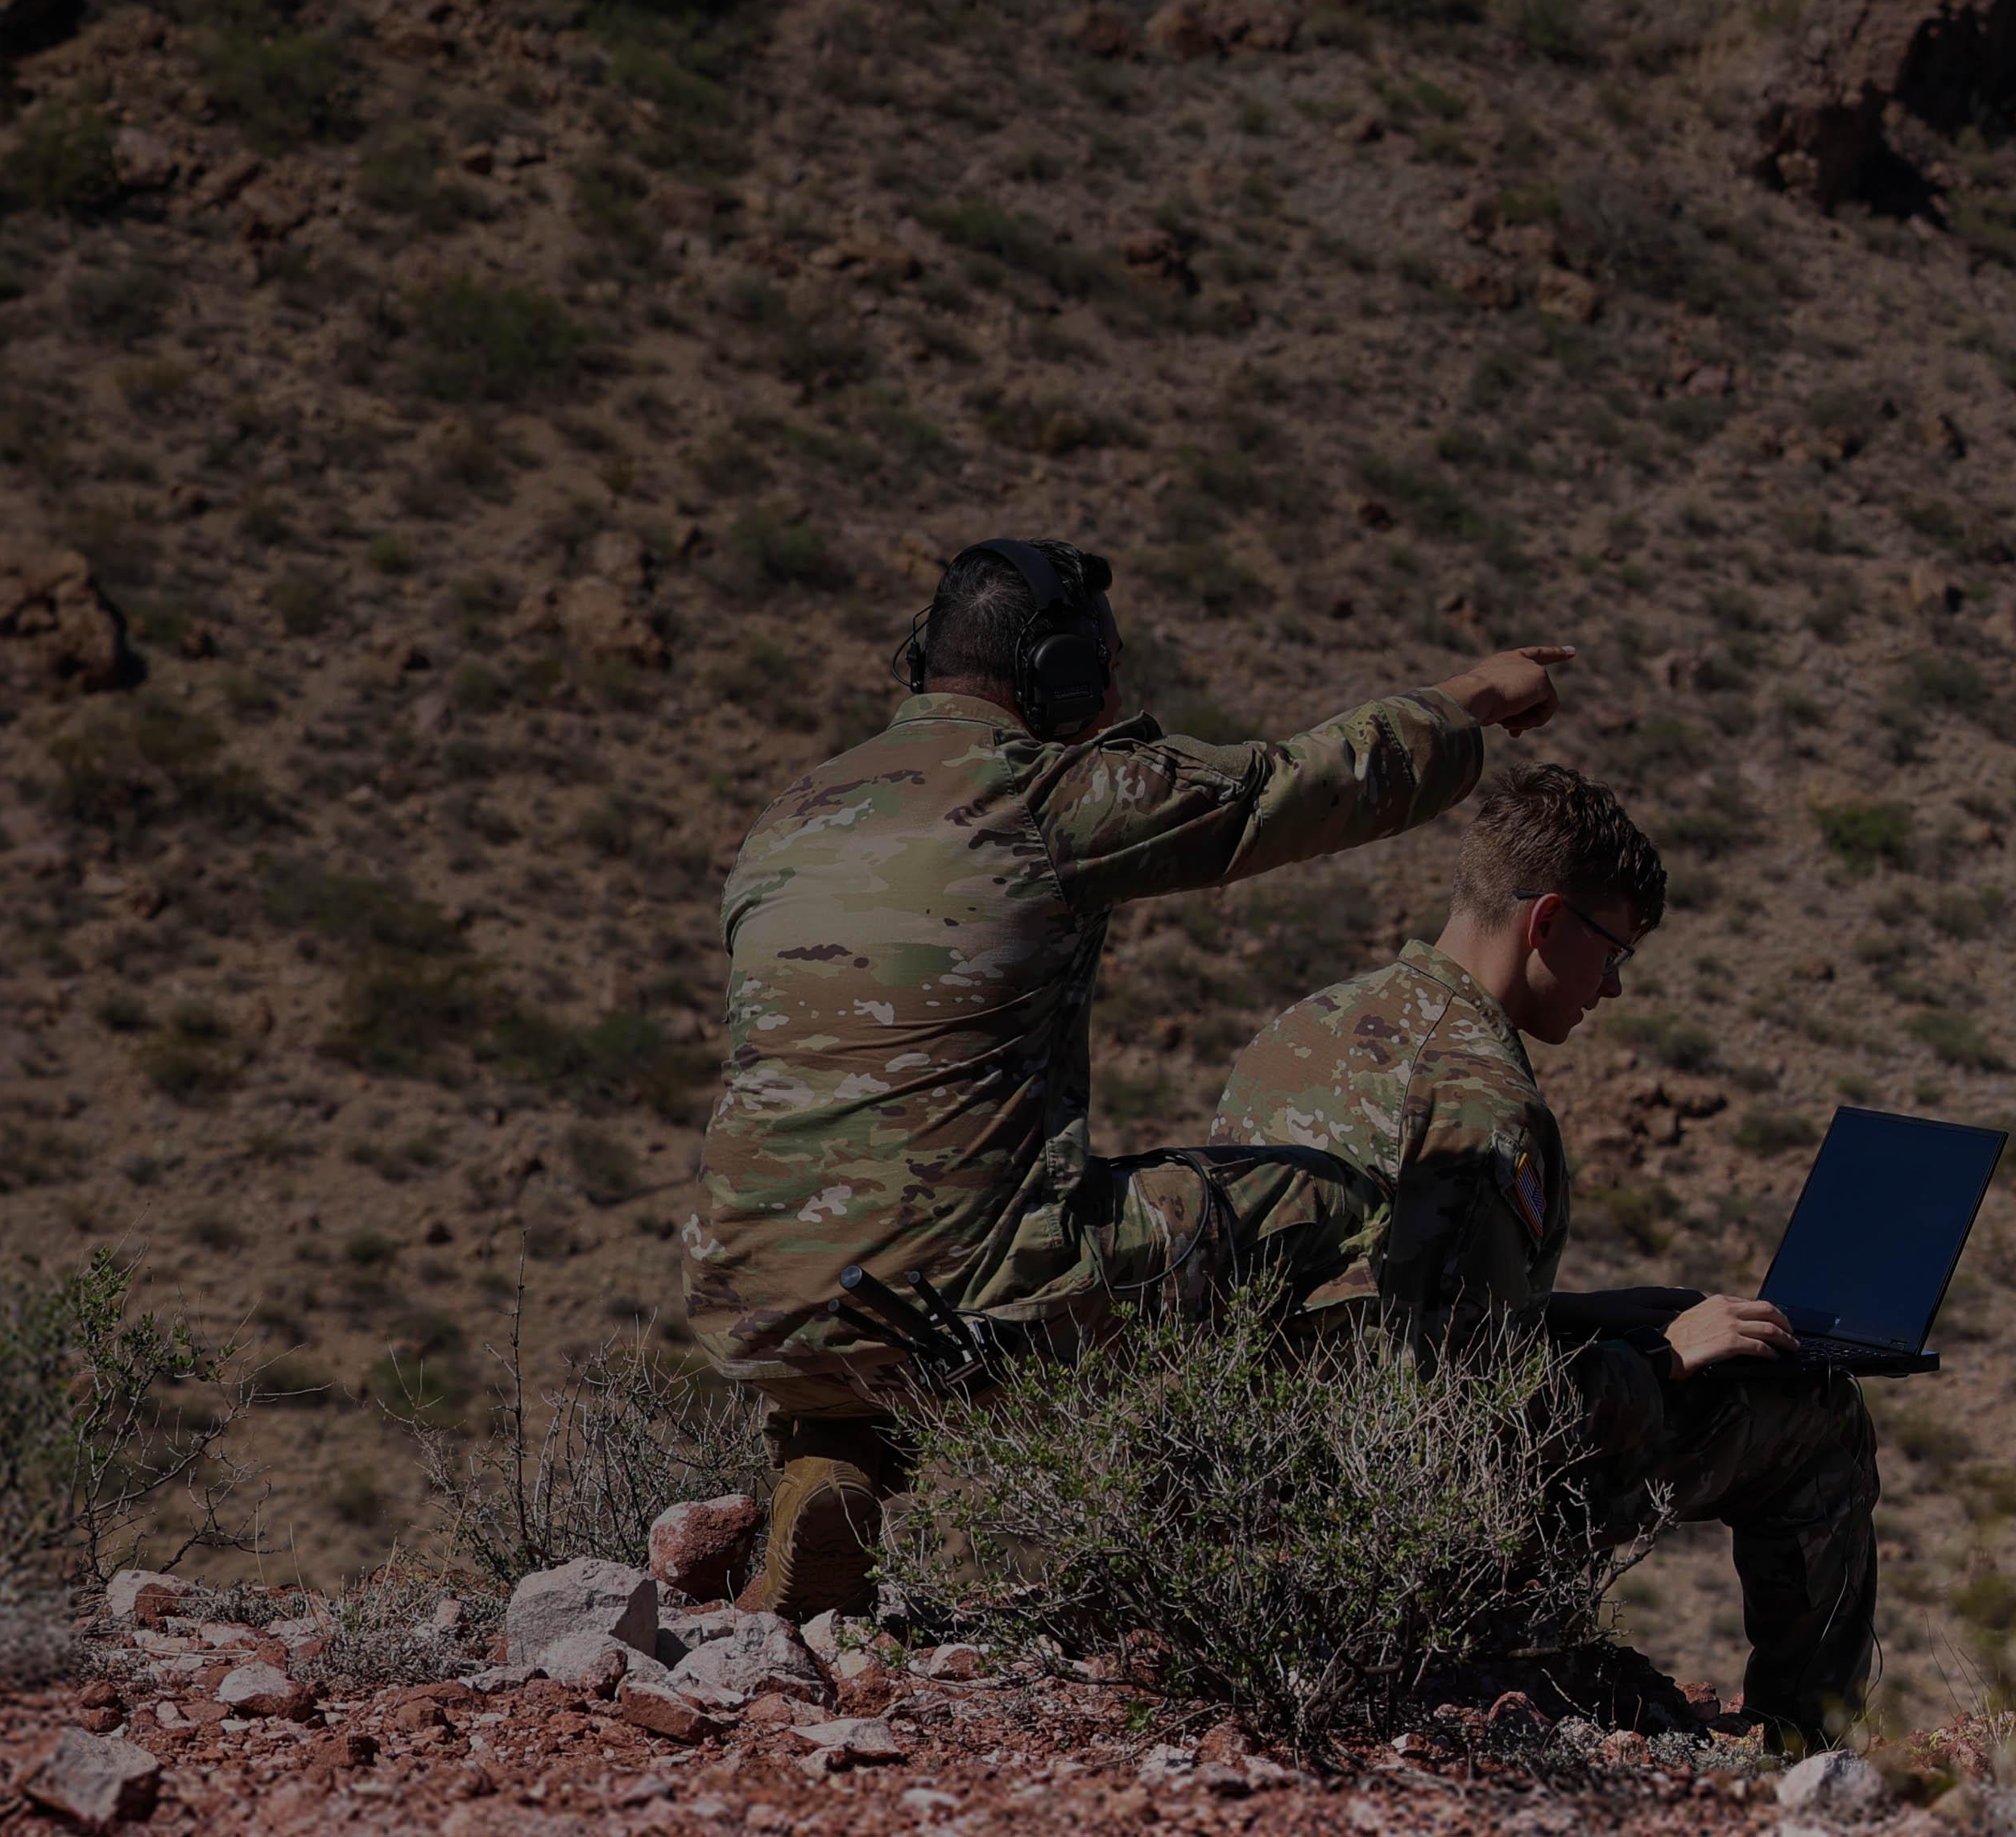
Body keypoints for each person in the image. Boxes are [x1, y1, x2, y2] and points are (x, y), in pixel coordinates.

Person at [682, 535, 1575, 1618]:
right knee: (1333, 1201)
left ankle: (828, 1472)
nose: (1114, 691)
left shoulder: (788, 817)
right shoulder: (1044, 797)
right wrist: (1469, 697)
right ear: (1059, 670)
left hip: (752, 1303)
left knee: (885, 1236)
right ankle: (1338, 1556)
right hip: (965, 1297)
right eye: (1105, 666)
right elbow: (1291, 787)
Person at [1212, 762, 1878, 1753]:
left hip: (1250, 1485)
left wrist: (1618, 1313)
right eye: (1614, 951)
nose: (1612, 985)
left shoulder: (1301, 1030)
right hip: (1402, 1519)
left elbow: (1384, 1310)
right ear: (1548, 920)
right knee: (1812, 1409)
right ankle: (1806, 1750)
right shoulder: (1484, 1099)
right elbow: (1476, 1408)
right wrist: (1663, 1359)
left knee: (1663, 1323)